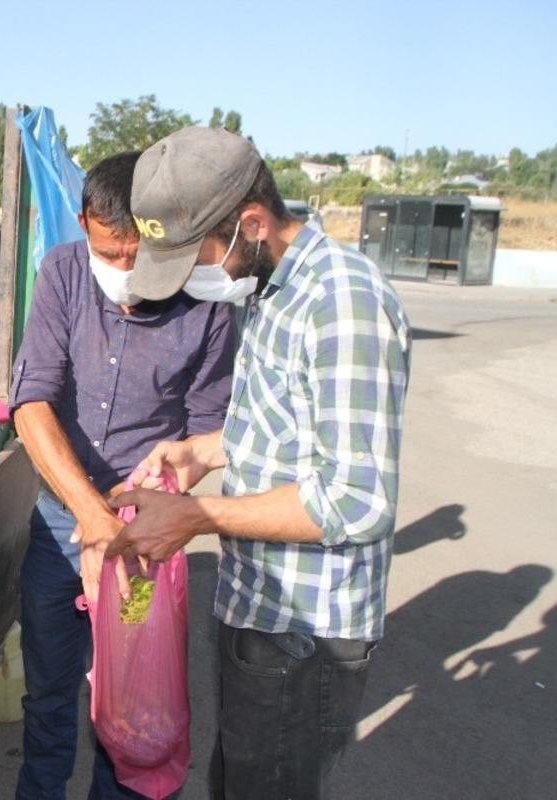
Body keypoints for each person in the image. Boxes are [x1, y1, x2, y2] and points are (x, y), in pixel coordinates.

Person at [106, 127, 412, 800]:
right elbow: (282, 430)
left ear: (252, 222)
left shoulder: (342, 303)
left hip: (305, 636)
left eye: (200, 256)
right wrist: (202, 451)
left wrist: (195, 516)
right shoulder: (270, 289)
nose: (192, 278)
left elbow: (354, 500)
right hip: (258, 613)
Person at [9, 151, 237, 799]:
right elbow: (31, 407)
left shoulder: (207, 304)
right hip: (62, 524)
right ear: (83, 223)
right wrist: (90, 519)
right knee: (50, 691)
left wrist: (130, 531)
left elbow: (205, 435)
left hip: (142, 542)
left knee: (130, 701)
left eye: (141, 254)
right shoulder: (61, 274)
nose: (127, 271)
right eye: (111, 253)